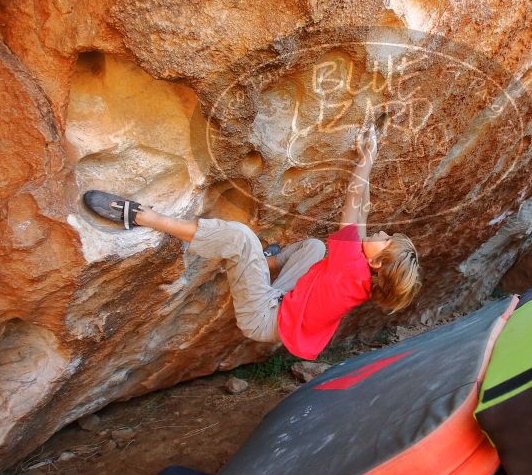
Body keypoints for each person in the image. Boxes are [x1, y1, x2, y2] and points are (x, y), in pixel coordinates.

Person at [82, 118, 421, 360]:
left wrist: (367, 158)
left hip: (263, 317)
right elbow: (361, 215)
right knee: (315, 248)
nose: (382, 232)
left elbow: (354, 202)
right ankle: (267, 263)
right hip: (285, 301)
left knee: (242, 239)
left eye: (386, 240)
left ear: (376, 263)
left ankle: (142, 216)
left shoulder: (352, 268)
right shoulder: (358, 275)